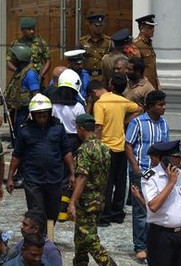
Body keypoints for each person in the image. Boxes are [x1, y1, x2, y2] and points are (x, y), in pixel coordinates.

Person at [6, 94, 73, 240]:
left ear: (49, 114)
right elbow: (17, 156)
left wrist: (72, 173)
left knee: (52, 212)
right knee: (36, 211)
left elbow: (66, 151)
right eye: (39, 115)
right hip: (33, 180)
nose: (42, 118)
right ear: (33, 115)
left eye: (44, 115)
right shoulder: (25, 131)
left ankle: (48, 237)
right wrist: (10, 177)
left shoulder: (58, 129)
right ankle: (37, 240)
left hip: (55, 179)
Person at [125, 90, 169, 263]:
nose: (164, 107)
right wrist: (135, 167)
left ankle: (154, 244)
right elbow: (128, 145)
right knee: (140, 210)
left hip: (158, 172)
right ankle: (140, 246)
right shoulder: (137, 122)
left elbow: (165, 147)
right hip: (141, 171)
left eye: (164, 104)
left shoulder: (164, 124)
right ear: (151, 106)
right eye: (160, 105)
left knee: (156, 207)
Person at [92, 75, 140, 226]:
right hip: (121, 147)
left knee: (106, 183)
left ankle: (104, 216)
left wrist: (96, 146)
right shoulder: (121, 100)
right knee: (120, 182)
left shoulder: (100, 103)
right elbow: (139, 108)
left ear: (94, 92)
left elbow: (99, 127)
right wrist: (126, 121)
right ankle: (117, 213)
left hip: (106, 147)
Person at [68, 114, 114, 266]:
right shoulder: (104, 148)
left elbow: (82, 178)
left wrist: (72, 202)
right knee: (80, 239)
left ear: (81, 129)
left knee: (89, 238)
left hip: (86, 202)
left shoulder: (85, 150)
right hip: (99, 199)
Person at [140, 141, 181, 266]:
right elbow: (153, 206)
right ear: (165, 159)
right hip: (161, 236)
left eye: (180, 157)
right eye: (176, 157)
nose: (180, 160)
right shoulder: (150, 177)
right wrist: (170, 183)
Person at [4, 43, 41, 140]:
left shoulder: (30, 74)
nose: (11, 58)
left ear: (19, 57)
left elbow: (35, 95)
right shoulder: (20, 71)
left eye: (13, 56)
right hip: (17, 110)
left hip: (25, 112)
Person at [48, 70, 86, 154]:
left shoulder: (53, 104)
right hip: (73, 140)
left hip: (56, 138)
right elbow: (82, 126)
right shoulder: (78, 107)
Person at [6, 18, 51, 85]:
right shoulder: (16, 44)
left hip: (37, 77)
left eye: (33, 29)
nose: (32, 31)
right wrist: (17, 71)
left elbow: (48, 61)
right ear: (22, 30)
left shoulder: (40, 42)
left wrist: (41, 75)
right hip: (20, 79)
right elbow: (8, 62)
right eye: (29, 29)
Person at [132, 14, 159, 89]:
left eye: (153, 27)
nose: (153, 30)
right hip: (143, 86)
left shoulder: (148, 43)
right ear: (142, 28)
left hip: (153, 84)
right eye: (150, 28)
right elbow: (135, 68)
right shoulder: (136, 45)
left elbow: (152, 66)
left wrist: (157, 84)